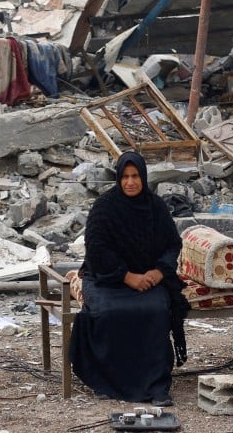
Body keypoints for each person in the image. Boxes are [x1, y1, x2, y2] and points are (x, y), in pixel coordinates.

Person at [69, 151, 188, 406]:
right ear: (118, 178)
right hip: (107, 279)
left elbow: (172, 244)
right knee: (111, 312)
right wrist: (127, 277)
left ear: (143, 177)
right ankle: (108, 381)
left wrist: (157, 272)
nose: (130, 182)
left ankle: (155, 385)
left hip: (150, 278)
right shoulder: (105, 207)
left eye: (135, 176)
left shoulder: (155, 207)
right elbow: (97, 249)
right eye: (125, 177)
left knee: (155, 310)